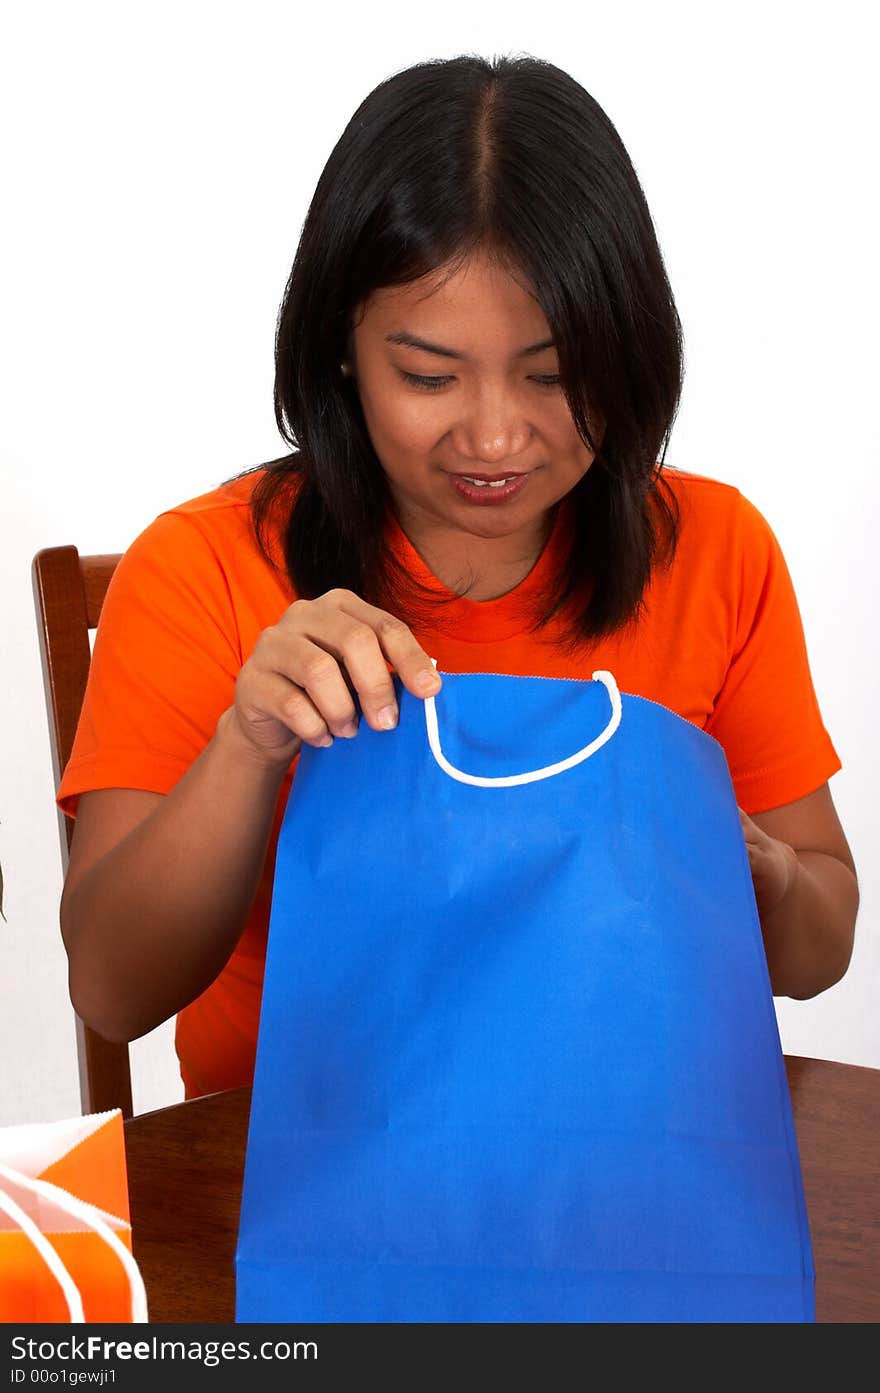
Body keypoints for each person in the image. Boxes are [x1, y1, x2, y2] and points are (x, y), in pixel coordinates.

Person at [56, 54, 859, 1101]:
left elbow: (818, 950)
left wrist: (754, 872)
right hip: (294, 1175)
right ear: (340, 349)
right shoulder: (204, 566)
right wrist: (248, 743)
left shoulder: (711, 545)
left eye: (555, 374)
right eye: (428, 375)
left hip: (622, 1154)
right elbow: (113, 992)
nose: (493, 434)